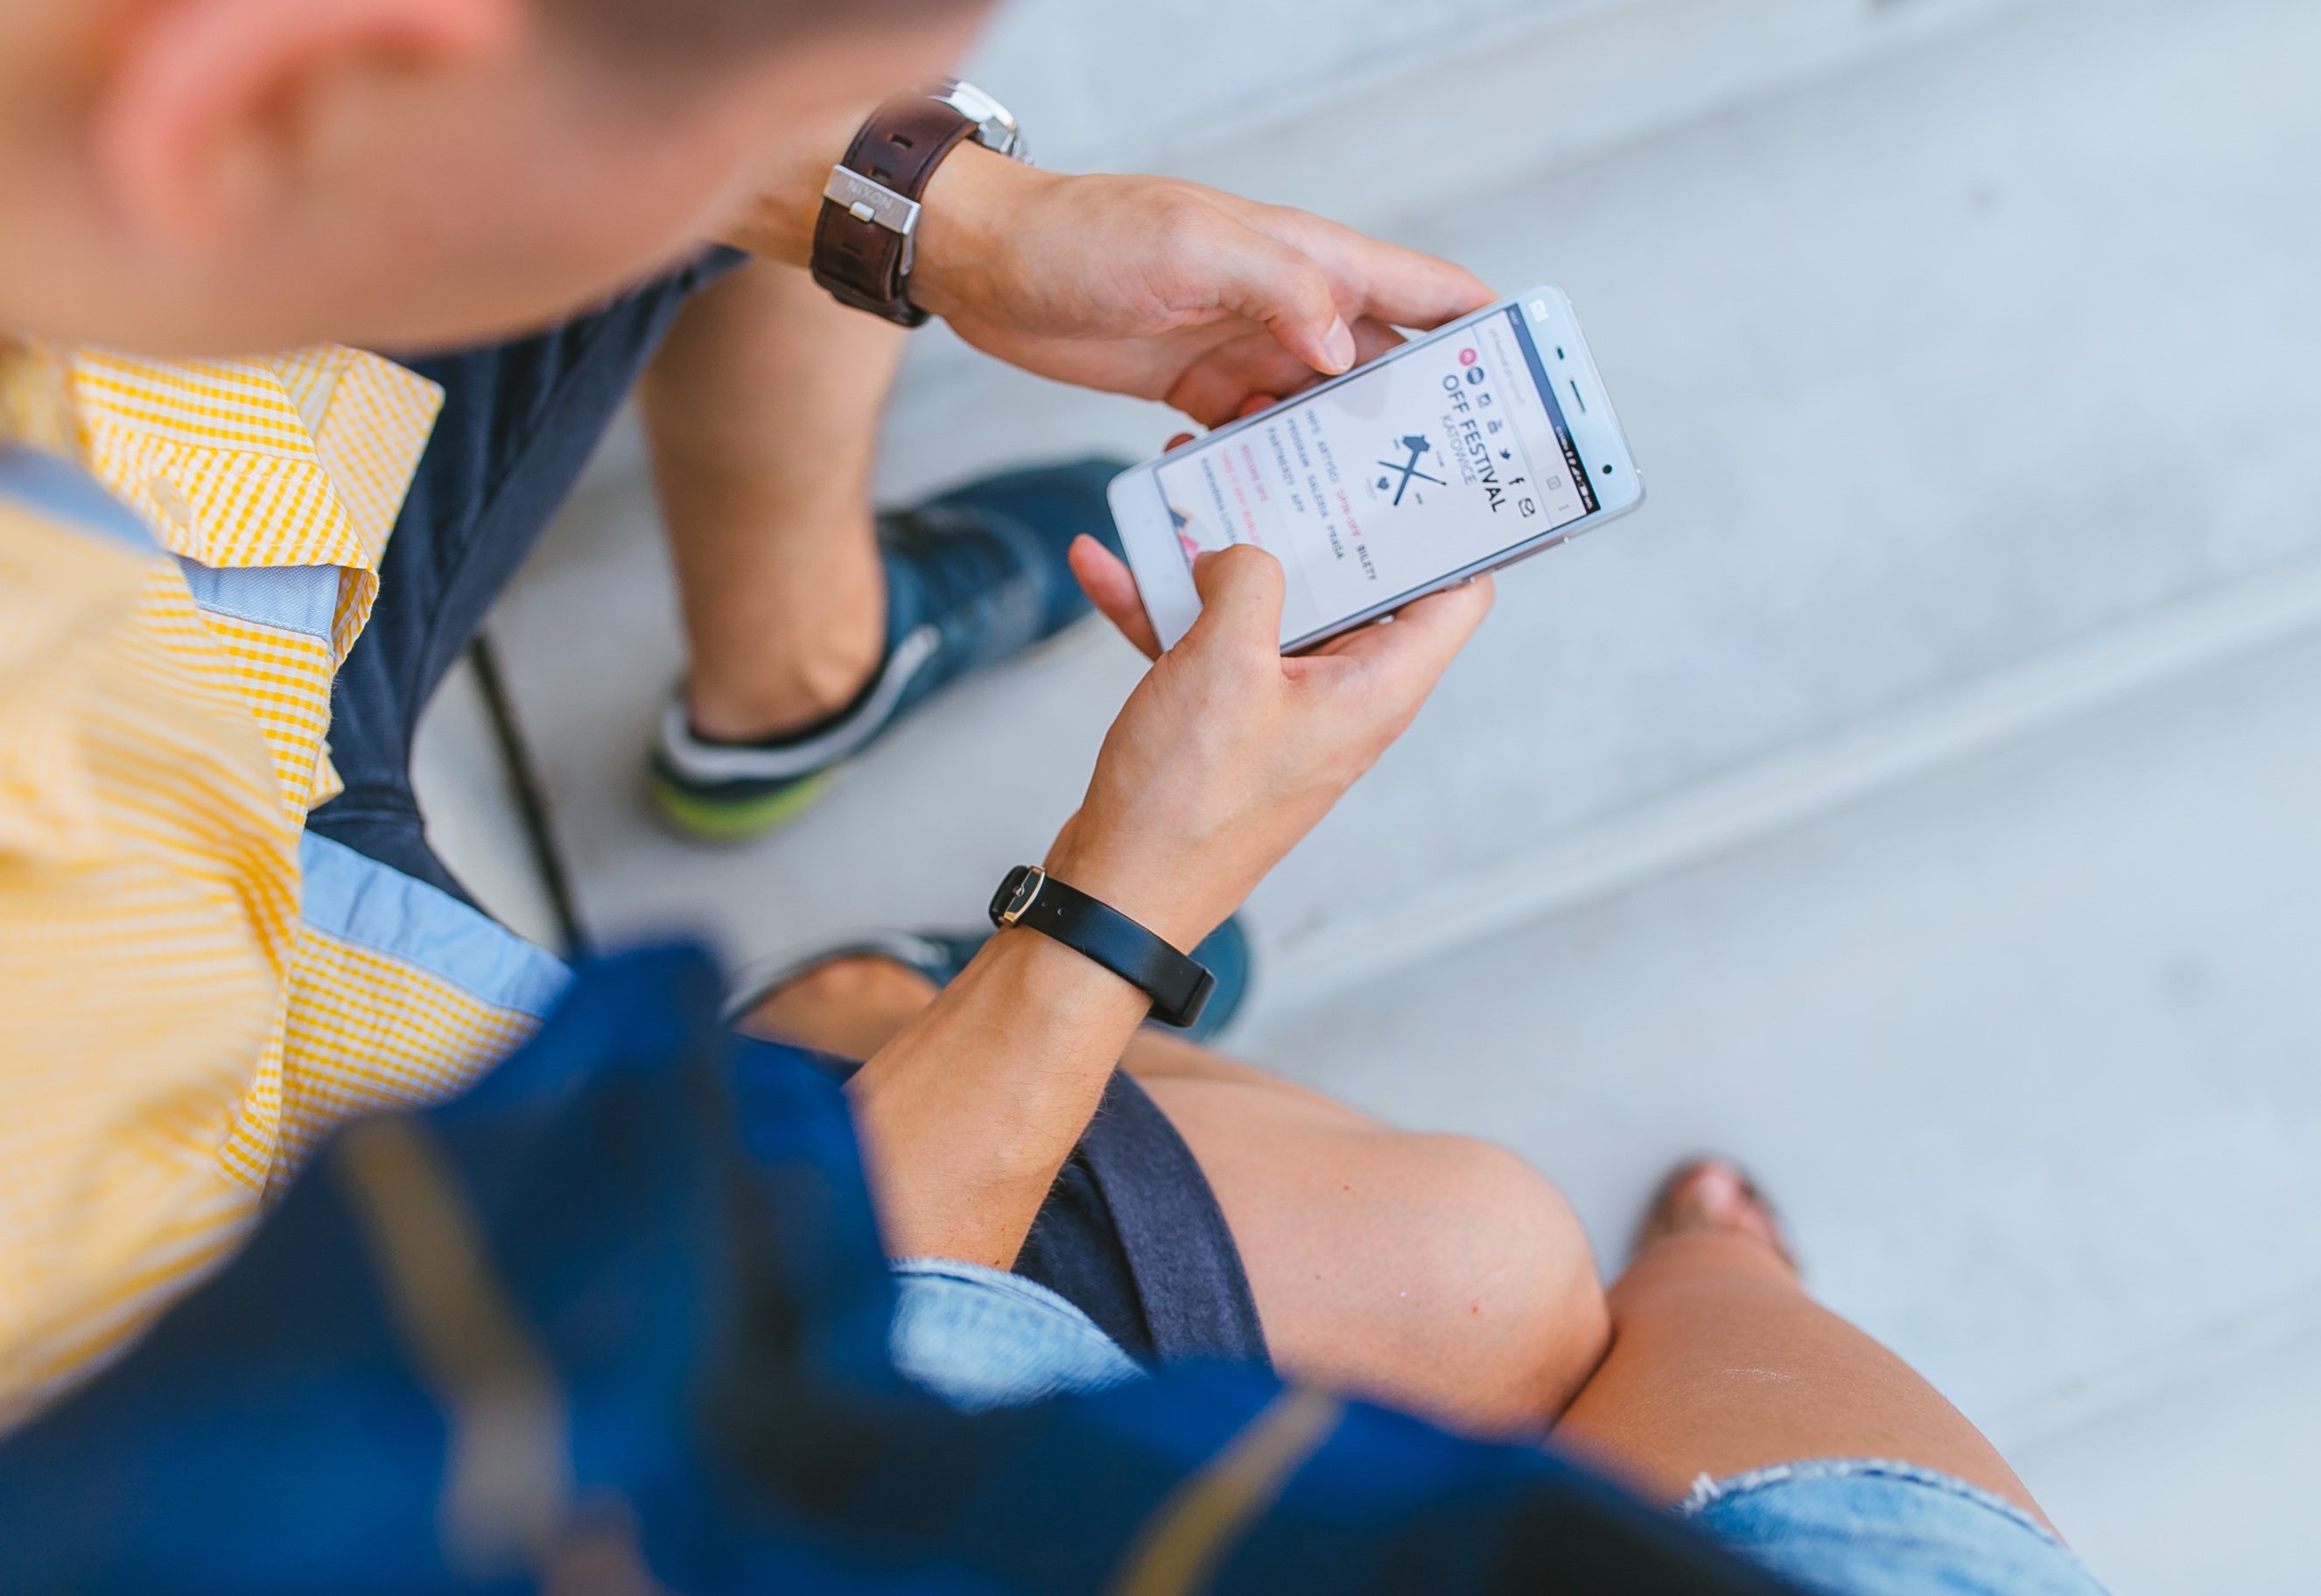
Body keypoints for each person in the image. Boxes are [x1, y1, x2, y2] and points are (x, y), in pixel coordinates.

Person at [0, 0, 2111, 1590]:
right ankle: (847, 1000)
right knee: (1487, 1274)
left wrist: (929, 212)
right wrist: (1119, 899)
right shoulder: (66, 1127)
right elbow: (667, 1402)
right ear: (252, 93)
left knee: (1473, 1265)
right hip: (263, 1025)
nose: (864, 143)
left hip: (227, 632)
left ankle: (800, 707)